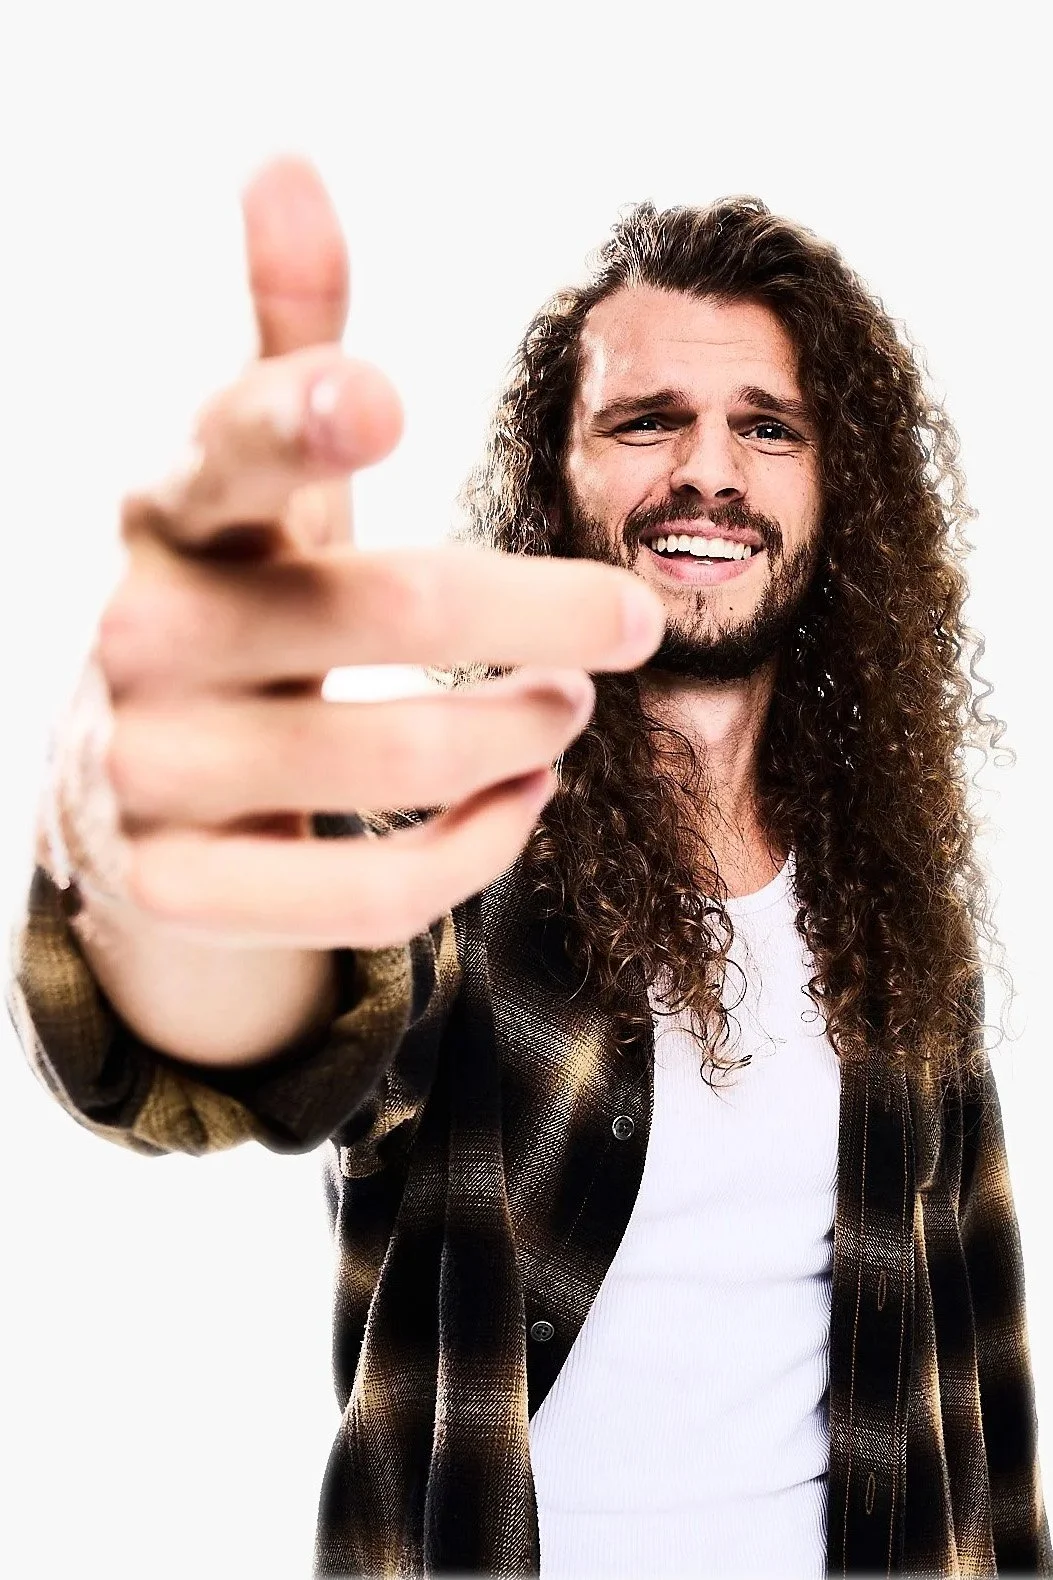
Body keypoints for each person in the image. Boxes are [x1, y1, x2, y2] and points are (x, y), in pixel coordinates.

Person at [9, 158, 1049, 1578]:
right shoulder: (452, 848)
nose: (709, 472)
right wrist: (143, 874)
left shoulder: (893, 903)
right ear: (551, 476)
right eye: (646, 421)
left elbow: (977, 1389)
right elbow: (279, 1003)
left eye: (769, 428)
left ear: (835, 492)